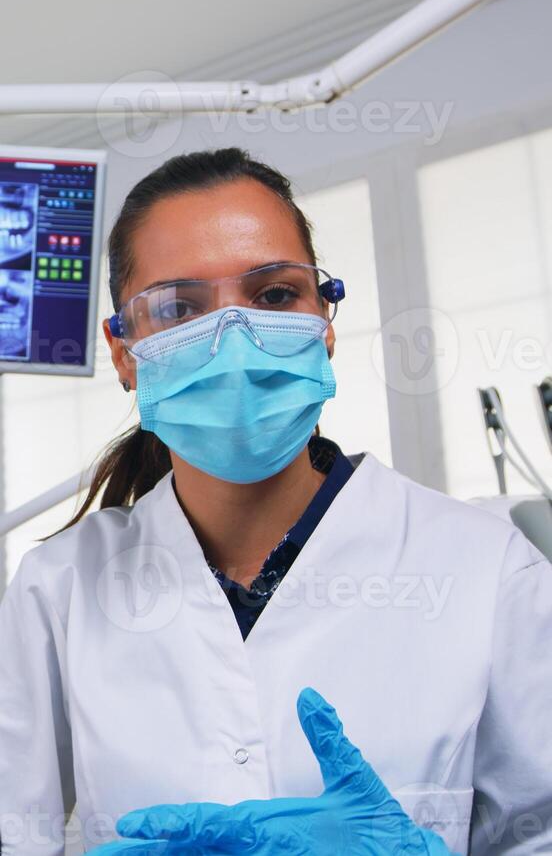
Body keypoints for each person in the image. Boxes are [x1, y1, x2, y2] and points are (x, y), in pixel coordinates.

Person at [0, 147, 551, 856]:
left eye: (274, 295)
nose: (236, 338)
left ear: (325, 321)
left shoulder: (487, 569)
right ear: (125, 354)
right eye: (179, 308)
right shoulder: (59, 591)